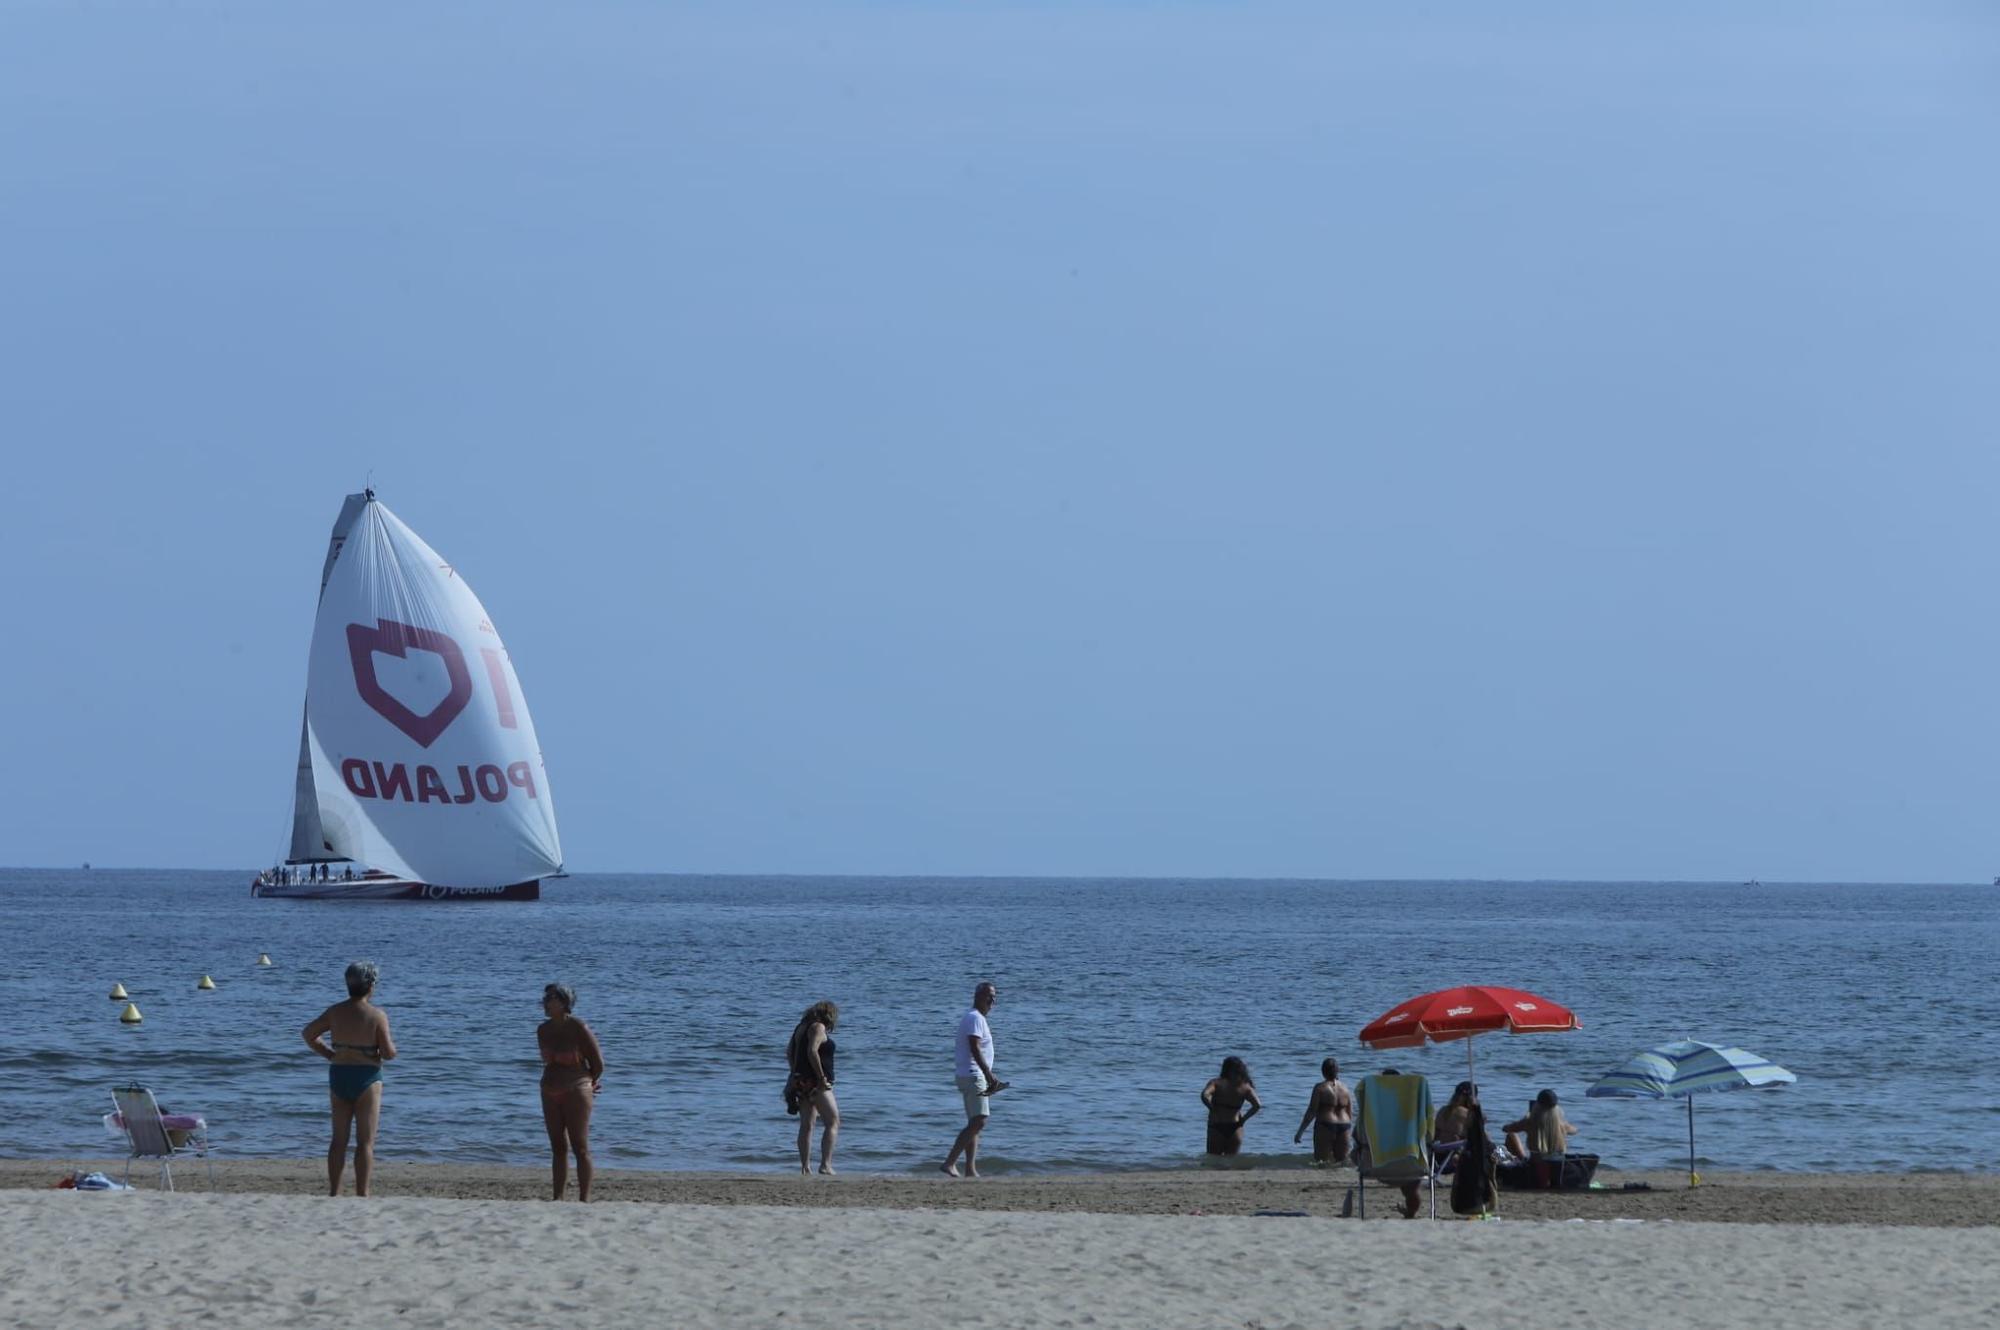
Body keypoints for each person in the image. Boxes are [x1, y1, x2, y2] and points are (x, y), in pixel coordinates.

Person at [302, 961, 397, 1197]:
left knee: (338, 1140)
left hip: (339, 1074)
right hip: (367, 1077)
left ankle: (335, 1192)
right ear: (371, 987)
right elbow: (387, 1053)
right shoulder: (376, 1016)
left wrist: (330, 1054)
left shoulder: (335, 1012)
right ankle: (362, 1193)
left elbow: (308, 1034)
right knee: (365, 1142)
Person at [537, 983, 604, 1201]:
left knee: (579, 1145)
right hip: (549, 1089)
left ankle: (584, 1199)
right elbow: (548, 1062)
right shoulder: (543, 1030)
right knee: (557, 1146)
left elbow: (598, 1063)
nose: (546, 1002)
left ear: (565, 1002)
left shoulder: (578, 1027)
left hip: (576, 1088)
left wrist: (589, 1083)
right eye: (545, 998)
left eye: (551, 998)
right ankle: (558, 1198)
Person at [941, 982, 1008, 1178]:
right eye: (989, 996)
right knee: (980, 1120)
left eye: (994, 997)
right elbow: (974, 1047)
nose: (992, 1001)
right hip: (973, 1074)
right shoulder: (975, 1018)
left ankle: (970, 1169)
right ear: (978, 996)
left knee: (974, 1122)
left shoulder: (975, 1018)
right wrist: (988, 1074)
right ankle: (950, 1162)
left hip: (970, 1074)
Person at [787, 1000, 840, 1176]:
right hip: (815, 1083)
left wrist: (794, 1074)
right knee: (833, 1121)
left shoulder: (800, 1027)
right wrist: (821, 1077)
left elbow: (789, 1051)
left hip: (800, 1080)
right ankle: (825, 1165)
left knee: (807, 1125)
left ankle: (805, 1167)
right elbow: (812, 1051)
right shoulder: (818, 1027)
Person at [1293, 1057, 1353, 1164]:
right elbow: (1349, 1113)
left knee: (1321, 1161)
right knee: (1342, 1162)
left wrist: (1300, 1132)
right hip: (1344, 1126)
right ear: (1337, 1071)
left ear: (1323, 1072)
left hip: (1326, 1126)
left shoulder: (1320, 1088)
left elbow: (1311, 1112)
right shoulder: (1345, 1088)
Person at [1201, 1057, 1262, 1156]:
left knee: (1213, 1159)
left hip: (1217, 1125)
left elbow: (1204, 1095)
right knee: (1231, 1162)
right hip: (1235, 1127)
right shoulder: (1245, 1087)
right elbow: (1257, 1105)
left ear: (1225, 1069)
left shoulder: (1217, 1083)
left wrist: (1212, 1109)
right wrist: (1244, 1119)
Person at [1504, 1089, 1578, 1160]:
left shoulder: (1530, 1122)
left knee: (1511, 1135)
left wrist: (1526, 1118)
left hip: (1535, 1167)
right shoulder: (1562, 1125)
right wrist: (1562, 1123)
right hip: (1558, 1168)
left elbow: (1506, 1128)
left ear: (1537, 1105)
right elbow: (1575, 1130)